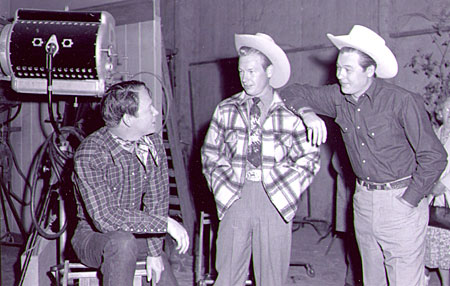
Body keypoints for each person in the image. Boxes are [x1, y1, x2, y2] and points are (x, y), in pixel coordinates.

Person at [279, 25, 448, 286]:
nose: (339, 75)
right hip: (363, 201)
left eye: (348, 70)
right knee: (372, 280)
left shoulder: (401, 102)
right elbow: (291, 92)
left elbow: (434, 156)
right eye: (338, 68)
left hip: (401, 201)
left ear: (370, 71)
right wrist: (308, 113)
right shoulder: (338, 97)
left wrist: (409, 200)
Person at [201, 33, 321, 286]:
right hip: (236, 197)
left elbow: (309, 156)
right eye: (242, 71)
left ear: (269, 71)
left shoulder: (290, 112)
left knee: (272, 277)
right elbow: (210, 152)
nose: (245, 77)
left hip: (274, 200)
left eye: (252, 71)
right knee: (227, 274)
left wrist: (288, 188)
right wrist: (224, 189)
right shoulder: (226, 109)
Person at [71, 80, 189, 286]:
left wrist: (154, 252)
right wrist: (166, 223)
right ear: (127, 119)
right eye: (148, 109)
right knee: (122, 243)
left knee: (163, 272)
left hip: (138, 234)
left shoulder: (153, 144)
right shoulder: (91, 153)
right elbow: (105, 218)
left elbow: (157, 200)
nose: (156, 112)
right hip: (93, 237)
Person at [424, 97, 450, 286]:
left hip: (445, 193)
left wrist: (443, 185)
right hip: (433, 194)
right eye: (445, 109)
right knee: (431, 242)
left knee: (444, 245)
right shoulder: (439, 132)